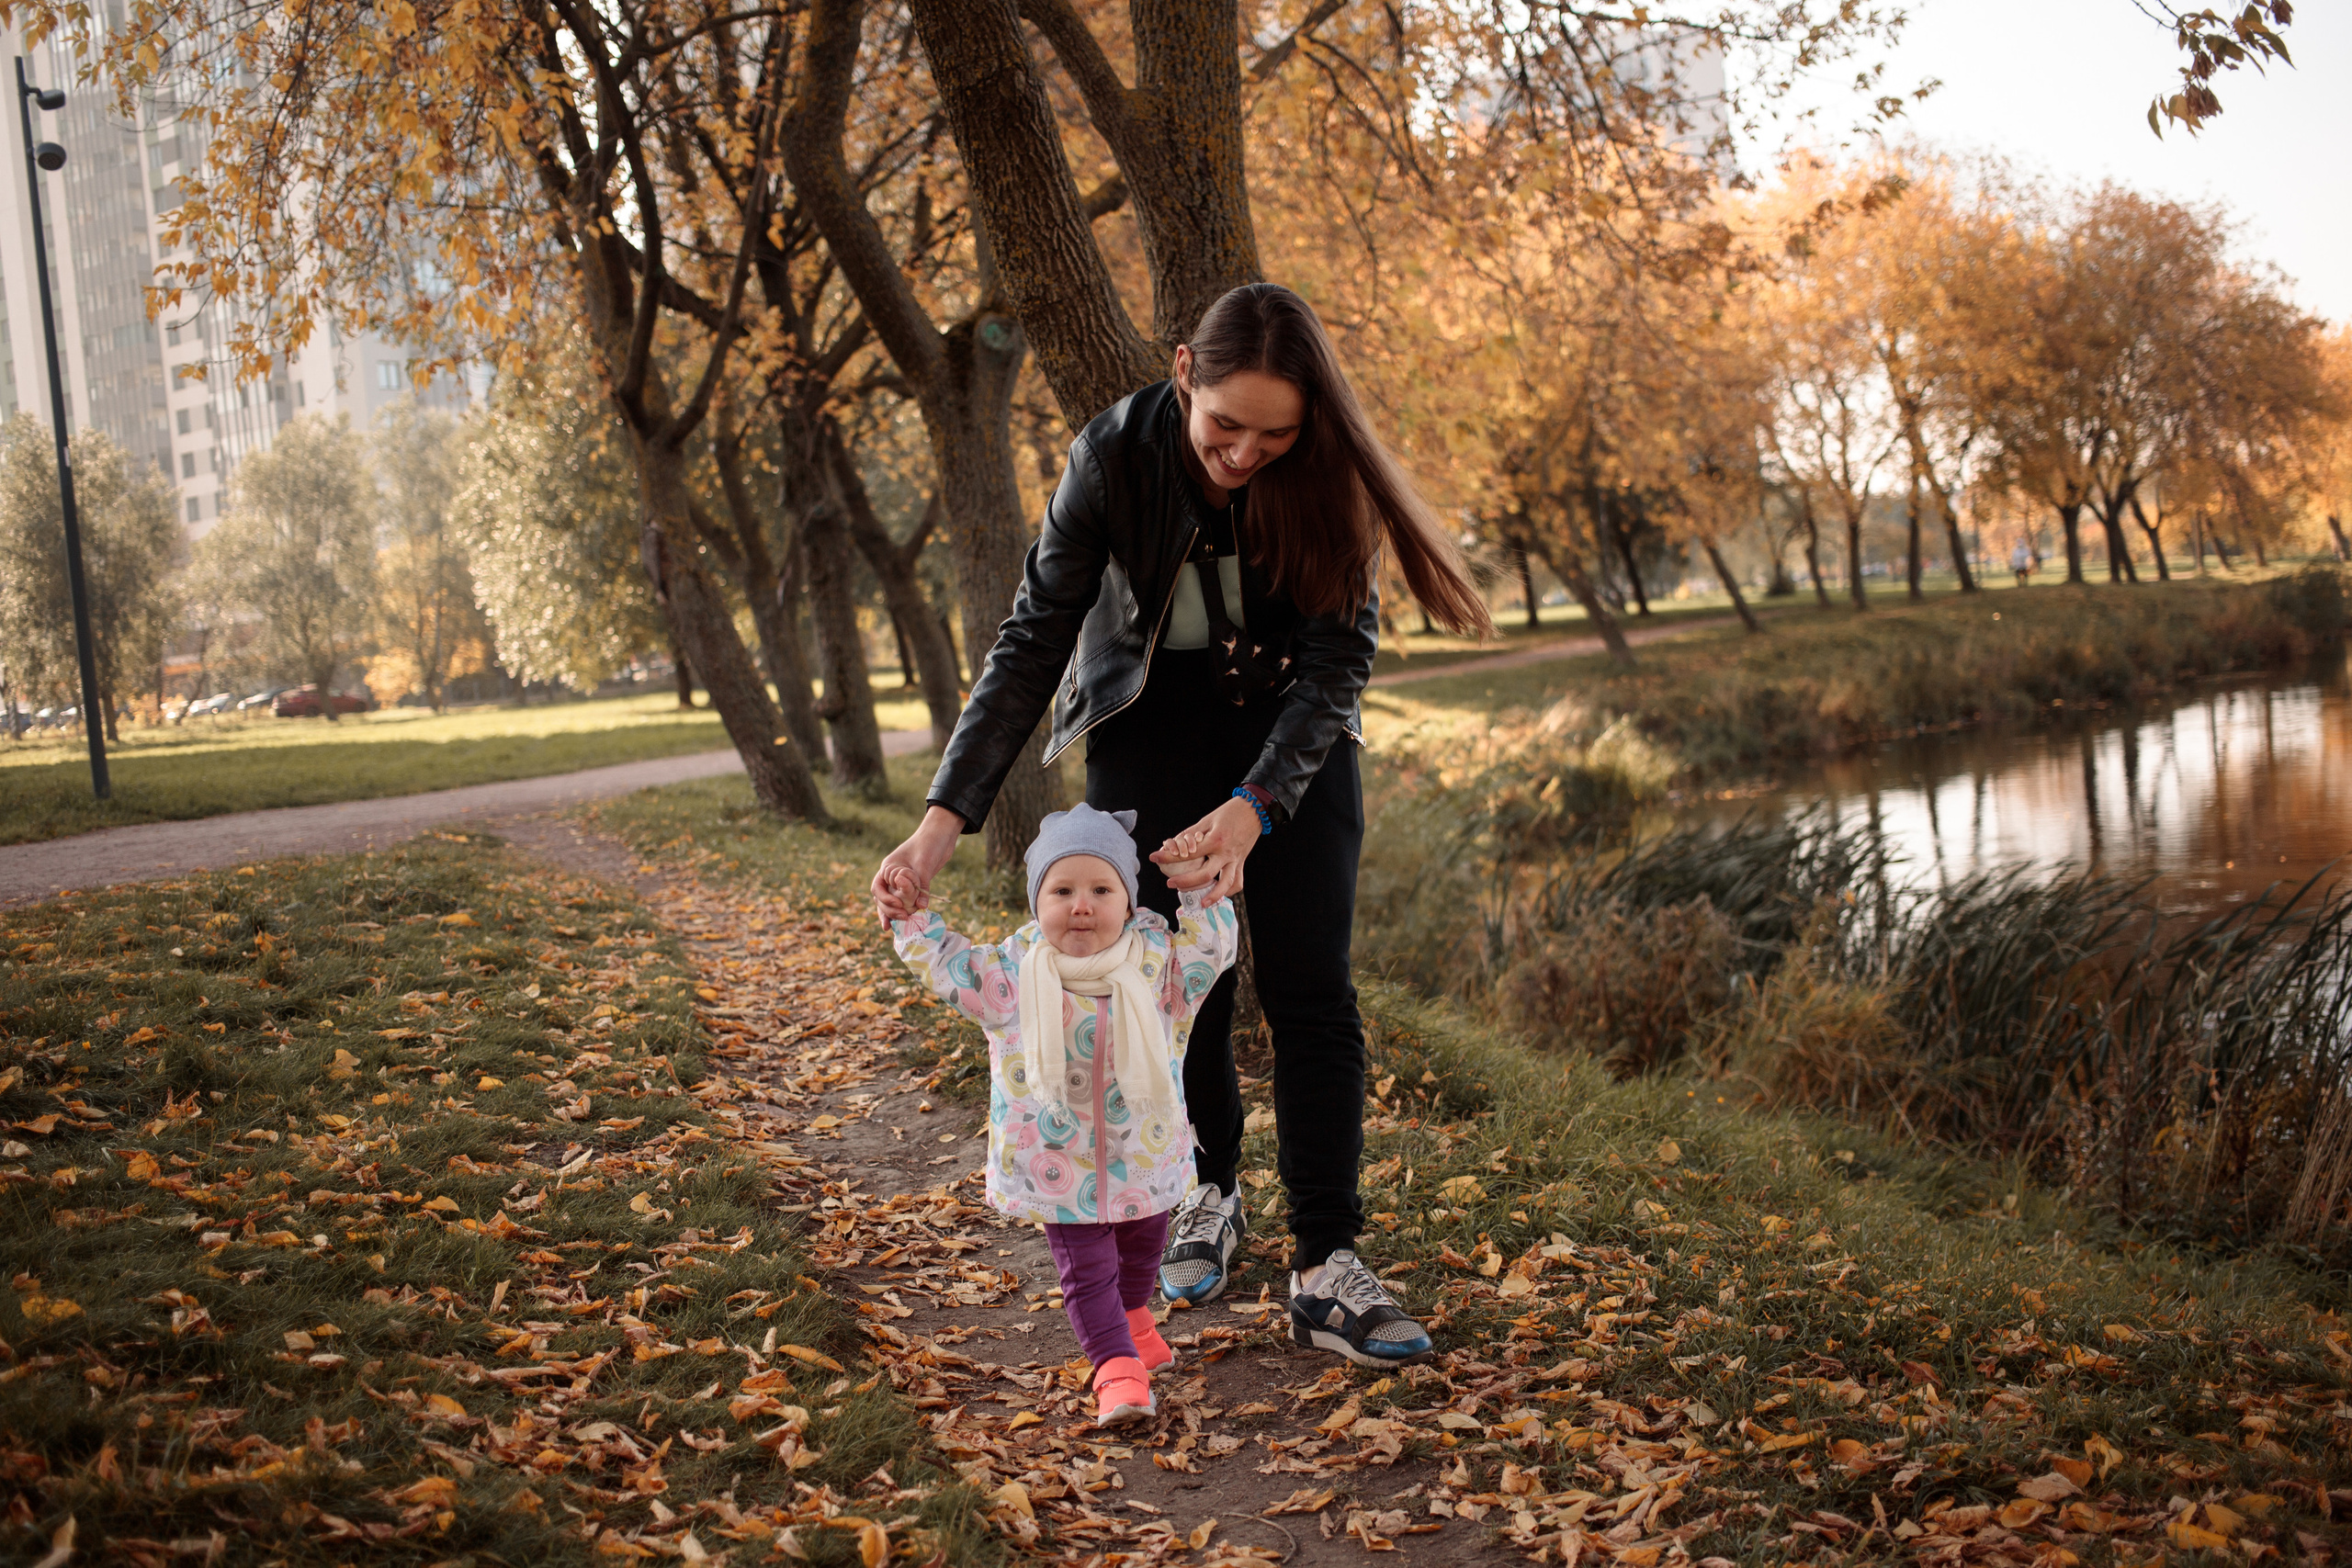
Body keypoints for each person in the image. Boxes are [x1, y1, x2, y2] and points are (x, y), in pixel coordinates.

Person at [872, 282, 1492, 1369]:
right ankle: (1201, 1189)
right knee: (1163, 983)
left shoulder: (1328, 474)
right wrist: (940, 823)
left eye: (1275, 434)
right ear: (1181, 374)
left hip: (1293, 749)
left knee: (1307, 988)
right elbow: (1031, 642)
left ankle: (1325, 1265)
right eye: (1225, 426)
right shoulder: (1110, 461)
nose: (1247, 452)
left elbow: (1340, 662)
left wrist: (1258, 806)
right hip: (1149, 731)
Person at [886, 804, 1238, 1426]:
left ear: (1128, 901)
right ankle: (1115, 1367)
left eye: (1101, 889)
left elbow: (1212, 947)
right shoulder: (1014, 974)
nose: (1081, 905)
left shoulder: (1159, 966)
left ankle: (1131, 1317)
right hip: (1056, 1163)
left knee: (1144, 1243)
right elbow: (950, 966)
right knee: (1088, 1266)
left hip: (1144, 1151)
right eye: (1062, 889)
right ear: (1036, 901)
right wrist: (911, 918)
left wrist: (1198, 891)